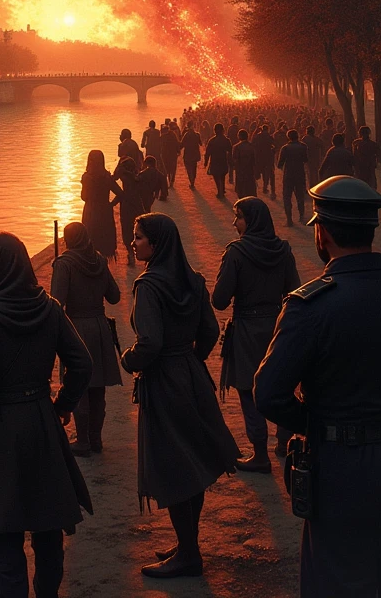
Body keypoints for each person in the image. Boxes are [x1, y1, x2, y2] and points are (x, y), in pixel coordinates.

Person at [255, 176, 381, 598]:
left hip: (341, 462)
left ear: (322, 233)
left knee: (337, 576)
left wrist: (313, 422)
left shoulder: (312, 305)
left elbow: (269, 392)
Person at [0, 233, 93, 598]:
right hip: (42, 421)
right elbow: (81, 363)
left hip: (0, 428)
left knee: (4, 526)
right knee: (47, 524)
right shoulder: (49, 307)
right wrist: (62, 405)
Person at [121, 214, 239, 579]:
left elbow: (150, 342)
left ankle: (188, 554)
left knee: (173, 467)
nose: (133, 242)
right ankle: (189, 543)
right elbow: (209, 330)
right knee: (193, 462)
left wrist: (129, 360)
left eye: (139, 238)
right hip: (190, 374)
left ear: (156, 245)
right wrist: (190, 360)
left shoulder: (148, 286)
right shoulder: (193, 280)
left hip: (163, 380)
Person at [212, 199, 300, 470]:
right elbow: (294, 290)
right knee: (281, 383)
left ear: (251, 220)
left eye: (238, 217)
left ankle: (260, 454)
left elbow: (219, 300)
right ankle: (284, 438)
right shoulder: (283, 249)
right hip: (277, 325)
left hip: (247, 328)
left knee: (248, 390)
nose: (234, 222)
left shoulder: (236, 252)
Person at [50, 222, 121, 456]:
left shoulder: (65, 264)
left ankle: (82, 441)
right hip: (100, 327)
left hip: (75, 327)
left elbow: (56, 303)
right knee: (97, 387)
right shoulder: (99, 260)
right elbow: (114, 296)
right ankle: (95, 439)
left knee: (78, 385)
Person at [80, 150, 122, 260]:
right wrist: (111, 204)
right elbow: (121, 194)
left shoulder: (87, 178)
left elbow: (83, 197)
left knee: (90, 237)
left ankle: (91, 264)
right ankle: (103, 264)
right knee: (103, 239)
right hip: (105, 211)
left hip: (91, 211)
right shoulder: (107, 177)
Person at [114, 156, 146, 263]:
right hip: (137, 202)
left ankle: (131, 253)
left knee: (127, 228)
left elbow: (114, 177)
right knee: (138, 228)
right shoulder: (138, 176)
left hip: (127, 203)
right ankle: (142, 251)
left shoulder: (124, 175)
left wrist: (112, 204)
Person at [278, 129, 309, 227]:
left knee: (287, 197)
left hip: (288, 174)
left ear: (288, 137)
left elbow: (280, 164)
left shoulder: (285, 148)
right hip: (300, 173)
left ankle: (289, 219)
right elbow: (305, 159)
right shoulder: (303, 146)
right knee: (300, 195)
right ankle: (301, 216)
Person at [204, 123, 233, 199]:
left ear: (214, 131)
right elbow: (230, 150)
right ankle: (222, 189)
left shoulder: (212, 141)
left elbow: (207, 152)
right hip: (223, 160)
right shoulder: (226, 140)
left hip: (214, 161)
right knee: (222, 176)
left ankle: (220, 190)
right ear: (223, 130)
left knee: (216, 176)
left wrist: (206, 162)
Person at [232, 129, 257, 198]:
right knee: (250, 190)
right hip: (250, 171)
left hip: (240, 171)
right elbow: (255, 160)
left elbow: (234, 159)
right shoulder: (252, 146)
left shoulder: (236, 147)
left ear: (239, 136)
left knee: (241, 191)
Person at [253, 125, 277, 198]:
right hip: (268, 157)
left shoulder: (257, 136)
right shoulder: (269, 137)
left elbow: (253, 144)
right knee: (270, 174)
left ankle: (257, 189)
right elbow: (274, 145)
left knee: (260, 172)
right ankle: (271, 191)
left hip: (259, 157)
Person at [180, 122, 202, 189]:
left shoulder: (186, 135)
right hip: (195, 155)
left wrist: (177, 151)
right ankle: (193, 182)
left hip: (187, 154)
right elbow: (200, 143)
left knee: (189, 169)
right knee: (194, 168)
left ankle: (191, 182)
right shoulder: (197, 134)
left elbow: (182, 144)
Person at [227, 116, 240, 185]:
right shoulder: (238, 128)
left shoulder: (230, 128)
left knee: (231, 164)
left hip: (231, 146)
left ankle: (231, 179)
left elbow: (228, 136)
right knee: (237, 163)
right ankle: (237, 179)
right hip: (237, 147)